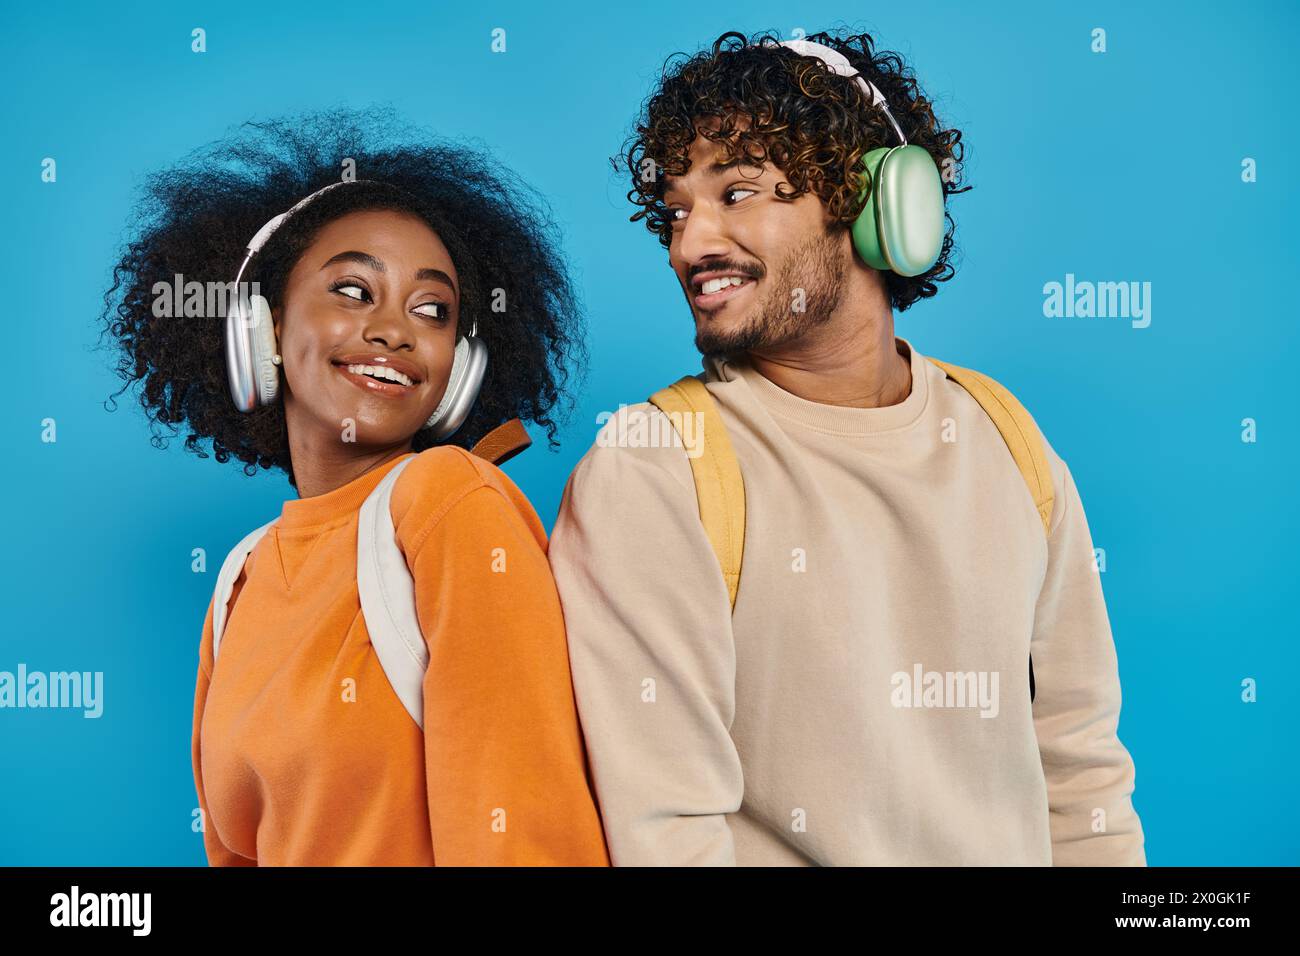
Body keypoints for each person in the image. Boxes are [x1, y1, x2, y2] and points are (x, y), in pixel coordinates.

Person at [548, 30, 1146, 866]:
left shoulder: (1005, 436)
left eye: (739, 192)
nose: (691, 243)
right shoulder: (654, 468)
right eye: (677, 210)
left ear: (872, 205)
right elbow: (669, 835)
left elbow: (1082, 781)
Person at [101, 109, 608, 866]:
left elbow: (524, 833)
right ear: (262, 328)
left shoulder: (447, 502)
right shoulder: (240, 579)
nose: (396, 331)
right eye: (352, 291)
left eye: (431, 310)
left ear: (459, 369)